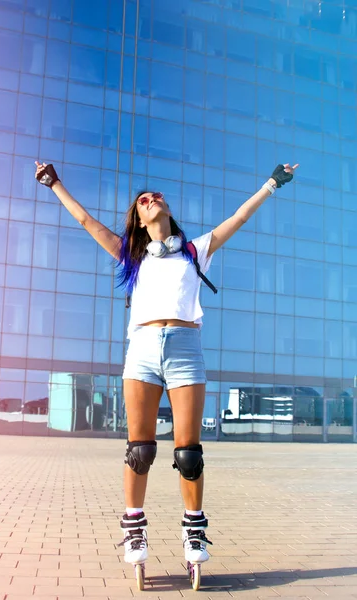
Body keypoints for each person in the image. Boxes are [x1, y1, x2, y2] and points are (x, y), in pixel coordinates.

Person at [34, 160, 298, 569]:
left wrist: (272, 183)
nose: (151, 199)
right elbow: (86, 220)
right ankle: (134, 527)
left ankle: (193, 530)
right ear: (138, 221)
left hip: (185, 346)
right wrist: (54, 184)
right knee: (140, 449)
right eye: (142, 201)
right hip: (141, 348)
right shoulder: (133, 256)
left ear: (168, 210)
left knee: (189, 452)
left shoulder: (195, 250)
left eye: (155, 196)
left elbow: (239, 217)